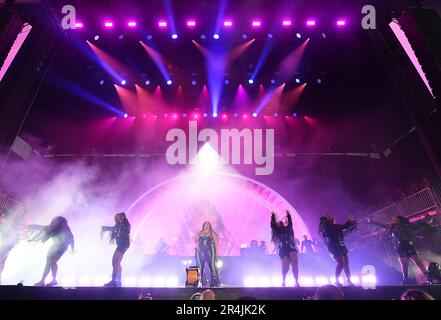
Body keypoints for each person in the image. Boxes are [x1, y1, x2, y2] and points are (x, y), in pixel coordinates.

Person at [368, 215, 432, 285]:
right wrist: (371, 222)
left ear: (399, 219)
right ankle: (405, 279)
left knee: (418, 262)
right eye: (392, 219)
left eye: (394, 218)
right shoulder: (392, 227)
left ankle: (428, 277)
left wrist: (425, 221)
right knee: (404, 265)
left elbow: (416, 225)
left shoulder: (407, 225)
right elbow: (381, 225)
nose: (392, 219)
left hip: (410, 246)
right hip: (400, 248)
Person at [23, 216, 74, 287]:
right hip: (55, 247)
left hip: (60, 248)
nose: (55, 222)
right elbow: (43, 228)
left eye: (57, 221)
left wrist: (72, 248)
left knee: (51, 262)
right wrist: (33, 226)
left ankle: (46, 280)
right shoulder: (54, 227)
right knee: (50, 262)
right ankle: (50, 280)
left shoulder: (64, 229)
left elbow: (71, 237)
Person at [319, 215, 356, 286]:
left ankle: (349, 280)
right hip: (333, 247)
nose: (333, 217)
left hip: (341, 246)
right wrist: (350, 221)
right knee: (341, 263)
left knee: (346, 264)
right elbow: (344, 227)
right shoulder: (328, 227)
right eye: (330, 217)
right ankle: (336, 280)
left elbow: (345, 231)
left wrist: (352, 225)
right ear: (328, 220)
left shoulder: (335, 227)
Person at [271, 210, 300, 287]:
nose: (280, 223)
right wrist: (273, 216)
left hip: (291, 247)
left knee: (295, 265)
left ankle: (296, 282)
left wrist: (288, 214)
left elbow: (290, 223)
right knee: (285, 269)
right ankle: (283, 280)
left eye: (281, 222)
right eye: (279, 223)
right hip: (282, 249)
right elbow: (272, 225)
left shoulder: (287, 228)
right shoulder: (276, 232)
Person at [101, 212, 131, 287]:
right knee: (117, 262)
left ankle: (114, 281)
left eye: (117, 218)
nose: (115, 219)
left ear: (121, 218)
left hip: (123, 244)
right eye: (115, 218)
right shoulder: (119, 225)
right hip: (122, 244)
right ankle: (118, 280)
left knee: (115, 261)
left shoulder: (125, 225)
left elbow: (124, 229)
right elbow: (113, 228)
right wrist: (105, 228)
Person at [195, 221, 220, 287]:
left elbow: (216, 244)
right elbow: (195, 240)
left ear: (210, 226)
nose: (207, 226)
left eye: (208, 224)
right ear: (203, 225)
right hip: (201, 252)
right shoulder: (199, 232)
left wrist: (216, 253)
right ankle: (202, 282)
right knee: (200, 267)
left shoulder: (213, 233)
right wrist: (197, 240)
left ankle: (214, 282)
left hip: (210, 252)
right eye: (205, 224)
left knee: (212, 266)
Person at [0, 214, 20, 285]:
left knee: (2, 261)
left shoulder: (10, 228)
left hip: (6, 247)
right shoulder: (7, 227)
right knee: (2, 261)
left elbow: (15, 240)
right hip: (5, 247)